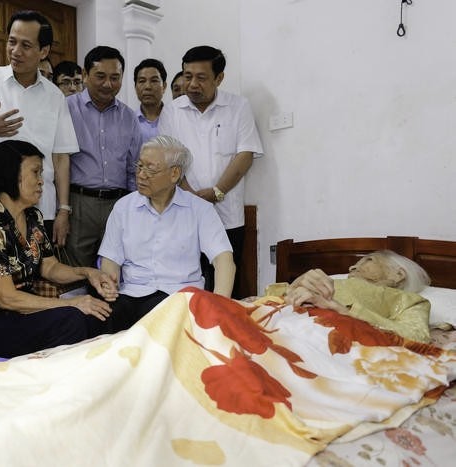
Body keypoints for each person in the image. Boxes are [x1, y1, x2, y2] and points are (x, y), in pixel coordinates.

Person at [0, 140, 118, 358]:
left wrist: (88, 272)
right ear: (11, 175)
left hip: (21, 314)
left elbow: (49, 267)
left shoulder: (33, 217)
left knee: (99, 315)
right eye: (36, 172)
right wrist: (73, 303)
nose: (42, 181)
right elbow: (7, 299)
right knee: (72, 321)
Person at [96, 135, 235, 333]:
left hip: (180, 298)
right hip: (132, 295)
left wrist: (220, 305)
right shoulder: (123, 207)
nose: (141, 175)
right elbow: (111, 260)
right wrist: (109, 282)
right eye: (140, 166)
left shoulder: (200, 210)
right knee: (96, 321)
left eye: (150, 169)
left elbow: (224, 260)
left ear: (174, 174)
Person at [0, 10, 78, 247]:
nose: (15, 51)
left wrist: (63, 210)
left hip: (40, 209)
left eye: (26, 45)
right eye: (11, 42)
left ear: (43, 51)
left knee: (37, 277)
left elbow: (60, 157)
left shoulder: (55, 96)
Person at [159, 46, 263, 296]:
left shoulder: (238, 107)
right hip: (184, 214)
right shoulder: (172, 111)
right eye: (187, 76)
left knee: (225, 286)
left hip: (228, 216)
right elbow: (168, 158)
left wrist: (216, 192)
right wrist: (191, 197)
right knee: (189, 285)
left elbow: (244, 155)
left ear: (219, 78)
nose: (192, 84)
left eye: (201, 77)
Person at [66, 46, 143, 268]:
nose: (108, 84)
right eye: (100, 76)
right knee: (77, 271)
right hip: (79, 204)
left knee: (117, 269)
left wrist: (135, 209)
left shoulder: (129, 117)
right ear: (85, 74)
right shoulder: (67, 109)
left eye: (115, 78)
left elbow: (134, 168)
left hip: (119, 204)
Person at [268, 250, 432, 342]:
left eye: (368, 260)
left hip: (328, 337)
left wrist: (341, 310)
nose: (352, 266)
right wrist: (294, 286)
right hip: (277, 322)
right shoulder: (326, 281)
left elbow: (417, 337)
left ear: (398, 274)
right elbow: (262, 302)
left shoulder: (410, 301)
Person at [133, 58, 167, 143]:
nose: (147, 86)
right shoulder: (129, 121)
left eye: (154, 81)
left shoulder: (175, 119)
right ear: (135, 87)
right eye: (142, 81)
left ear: (164, 86)